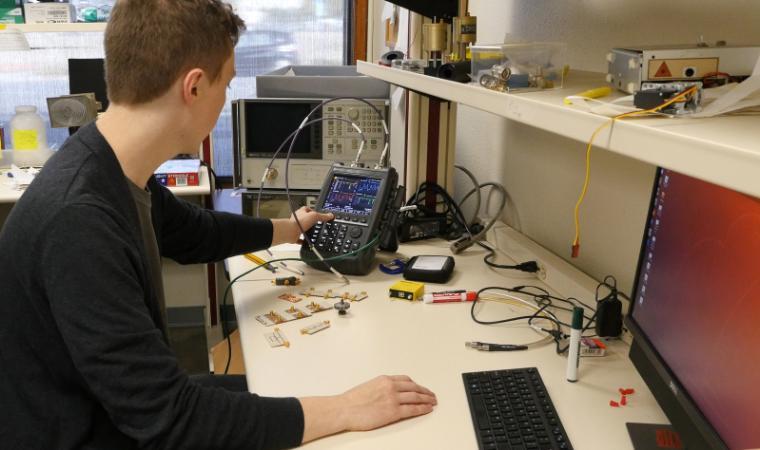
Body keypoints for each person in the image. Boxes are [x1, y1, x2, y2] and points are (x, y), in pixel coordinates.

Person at [0, 0, 436, 448]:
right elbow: (171, 420)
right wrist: (345, 409)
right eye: (225, 84)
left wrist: (288, 229)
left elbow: (192, 233)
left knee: (287, 389)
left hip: (114, 413)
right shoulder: (79, 220)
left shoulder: (110, 168)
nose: (225, 98)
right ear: (193, 86)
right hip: (87, 433)